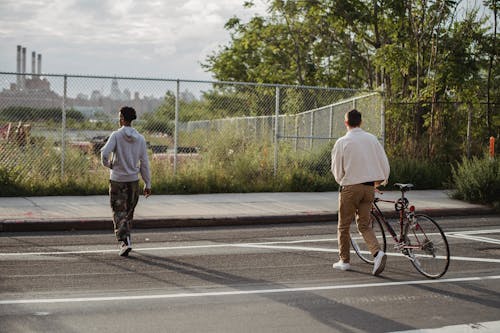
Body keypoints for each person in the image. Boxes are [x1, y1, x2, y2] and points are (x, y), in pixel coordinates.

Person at [331, 109, 390, 276]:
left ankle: (344, 261)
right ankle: (377, 254)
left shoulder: (342, 142)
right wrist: (379, 182)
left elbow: (337, 171)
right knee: (364, 225)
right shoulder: (372, 139)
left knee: (343, 226)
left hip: (350, 188)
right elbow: (383, 162)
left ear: (346, 123)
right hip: (369, 188)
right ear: (361, 122)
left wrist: (343, 181)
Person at [101, 106, 152, 257]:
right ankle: (127, 240)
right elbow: (144, 163)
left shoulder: (116, 136)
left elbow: (104, 153)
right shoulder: (141, 139)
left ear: (122, 118)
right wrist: (147, 183)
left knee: (119, 212)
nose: (119, 119)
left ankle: (125, 241)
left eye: (119, 117)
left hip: (117, 180)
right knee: (128, 213)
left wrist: (109, 165)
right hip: (133, 181)